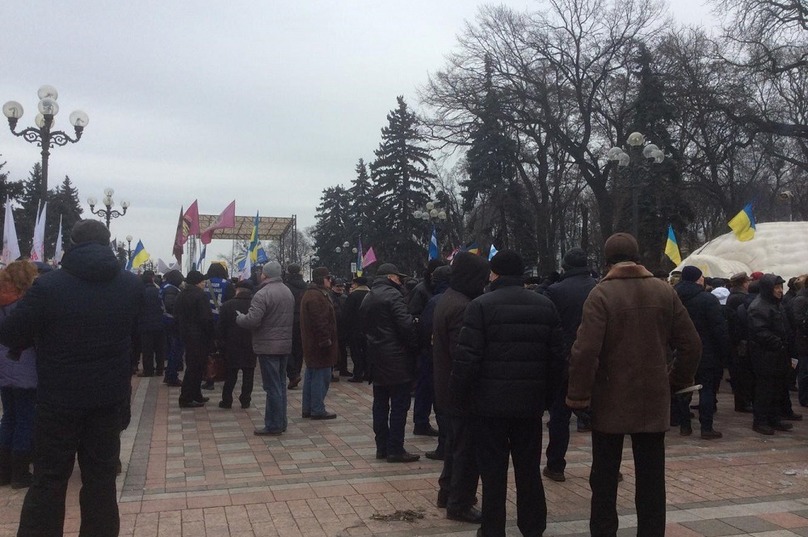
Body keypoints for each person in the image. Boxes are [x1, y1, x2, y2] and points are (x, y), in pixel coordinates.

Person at [0, 219, 143, 536]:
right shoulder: (131, 287)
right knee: (101, 482)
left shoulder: (49, 287)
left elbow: (10, 333)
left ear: (72, 245)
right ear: (108, 243)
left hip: (58, 401)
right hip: (108, 400)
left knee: (49, 480)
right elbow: (141, 337)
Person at [567, 232, 701, 537]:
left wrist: (578, 396)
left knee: (603, 479)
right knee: (652, 479)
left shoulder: (600, 295)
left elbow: (585, 351)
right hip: (653, 397)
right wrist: (675, 381)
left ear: (606, 261)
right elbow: (691, 344)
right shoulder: (664, 291)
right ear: (637, 257)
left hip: (609, 398)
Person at [452, 250, 563, 537]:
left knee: (493, 474)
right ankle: (533, 526)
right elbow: (557, 359)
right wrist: (546, 398)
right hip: (529, 405)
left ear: (494, 273)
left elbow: (467, 359)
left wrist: (461, 398)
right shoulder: (545, 305)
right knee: (528, 471)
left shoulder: (479, 306)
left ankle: (492, 529)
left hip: (488, 407)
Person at [432, 252, 489, 522]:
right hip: (461, 391)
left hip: (446, 388)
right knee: (466, 450)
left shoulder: (449, 298)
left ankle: (447, 493)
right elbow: (462, 355)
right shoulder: (464, 306)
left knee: (455, 446)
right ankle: (460, 503)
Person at [542, 247, 597, 482]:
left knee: (559, 417)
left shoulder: (554, 291)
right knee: (601, 417)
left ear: (565, 266)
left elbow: (548, 328)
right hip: (595, 360)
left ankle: (556, 465)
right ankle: (608, 467)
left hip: (564, 361)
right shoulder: (600, 288)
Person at [360, 263, 419, 462]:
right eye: (398, 277)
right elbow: (406, 326)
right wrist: (414, 346)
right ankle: (395, 448)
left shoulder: (368, 296)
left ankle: (382, 447)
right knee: (399, 406)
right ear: (391, 277)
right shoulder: (394, 296)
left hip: (376, 359)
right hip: (396, 359)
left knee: (380, 404)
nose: (401, 281)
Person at [236, 262, 295, 434]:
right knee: (280, 385)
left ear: (265, 275)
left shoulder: (262, 294)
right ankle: (281, 422)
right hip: (284, 344)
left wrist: (240, 318)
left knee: (272, 387)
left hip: (268, 346)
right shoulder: (286, 291)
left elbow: (253, 320)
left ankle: (273, 424)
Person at [673, 265, 730, 439]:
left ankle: (685, 425)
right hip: (706, 350)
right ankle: (706, 427)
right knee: (705, 388)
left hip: (680, 350)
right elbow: (718, 328)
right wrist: (725, 352)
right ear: (699, 279)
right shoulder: (707, 299)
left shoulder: (673, 297)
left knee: (683, 387)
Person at [0, 261, 39, 489]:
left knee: (9, 417)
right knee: (26, 419)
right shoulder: (24, 305)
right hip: (24, 366)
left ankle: (3, 471)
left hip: (3, 368)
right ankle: (20, 473)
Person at [748, 273, 799, 434]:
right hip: (765, 356)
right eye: (776, 287)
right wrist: (778, 343)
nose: (780, 290)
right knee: (765, 390)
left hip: (778, 355)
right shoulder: (759, 306)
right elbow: (760, 331)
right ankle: (761, 421)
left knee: (777, 388)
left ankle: (775, 419)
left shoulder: (776, 304)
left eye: (780, 287)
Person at [409, 259, 447, 437]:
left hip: (433, 347)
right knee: (424, 388)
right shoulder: (421, 290)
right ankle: (421, 422)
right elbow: (415, 317)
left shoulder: (436, 291)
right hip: (425, 348)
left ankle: (424, 421)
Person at [417, 265, 452, 459]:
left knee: (441, 402)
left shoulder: (437, 300)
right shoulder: (465, 297)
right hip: (455, 358)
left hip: (435, 358)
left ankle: (444, 447)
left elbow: (425, 329)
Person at [300, 266, 339, 420]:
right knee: (320, 378)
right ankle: (317, 408)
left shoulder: (311, 294)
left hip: (312, 345)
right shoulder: (317, 296)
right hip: (320, 346)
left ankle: (308, 408)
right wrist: (325, 341)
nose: (330, 281)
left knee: (311, 376)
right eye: (328, 278)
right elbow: (320, 321)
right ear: (322, 279)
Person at [175, 270, 214, 408]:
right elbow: (206, 319)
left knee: (195, 366)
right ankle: (185, 398)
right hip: (199, 336)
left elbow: (176, 316)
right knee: (195, 368)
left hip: (186, 335)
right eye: (203, 282)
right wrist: (211, 334)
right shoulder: (200, 295)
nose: (204, 284)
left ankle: (196, 394)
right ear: (197, 282)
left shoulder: (181, 295)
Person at [217, 280, 257, 410]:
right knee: (248, 373)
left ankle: (226, 400)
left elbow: (221, 327)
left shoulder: (227, 305)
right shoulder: (255, 305)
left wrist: (221, 343)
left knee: (231, 374)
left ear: (237, 290)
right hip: (251, 343)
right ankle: (245, 400)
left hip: (231, 344)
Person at [138, 270, 167, 378]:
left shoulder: (141, 292)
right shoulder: (159, 291)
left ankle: (148, 371)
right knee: (160, 348)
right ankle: (160, 369)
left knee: (147, 350)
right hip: (160, 323)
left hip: (145, 325)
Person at [284, 263, 307, 389]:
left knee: (288, 348)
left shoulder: (286, 286)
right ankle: (296, 372)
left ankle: (293, 374)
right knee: (299, 348)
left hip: (289, 318)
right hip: (302, 318)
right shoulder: (305, 286)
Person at [343, 276, 370, 382]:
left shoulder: (353, 296)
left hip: (355, 329)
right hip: (368, 329)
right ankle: (367, 373)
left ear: (356, 284)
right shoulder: (370, 294)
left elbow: (347, 313)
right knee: (367, 352)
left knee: (356, 352)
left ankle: (358, 374)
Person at [160, 270, 185, 387]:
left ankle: (170, 374)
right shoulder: (171, 289)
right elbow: (171, 305)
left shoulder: (166, 287)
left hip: (167, 321)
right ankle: (171, 375)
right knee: (175, 349)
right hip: (172, 322)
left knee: (173, 349)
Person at [330, 277, 350, 379]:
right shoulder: (330, 297)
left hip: (343, 327)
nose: (340, 288)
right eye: (338, 286)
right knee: (334, 349)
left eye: (341, 286)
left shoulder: (345, 297)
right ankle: (333, 369)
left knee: (343, 349)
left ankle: (343, 368)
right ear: (332, 287)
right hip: (334, 327)